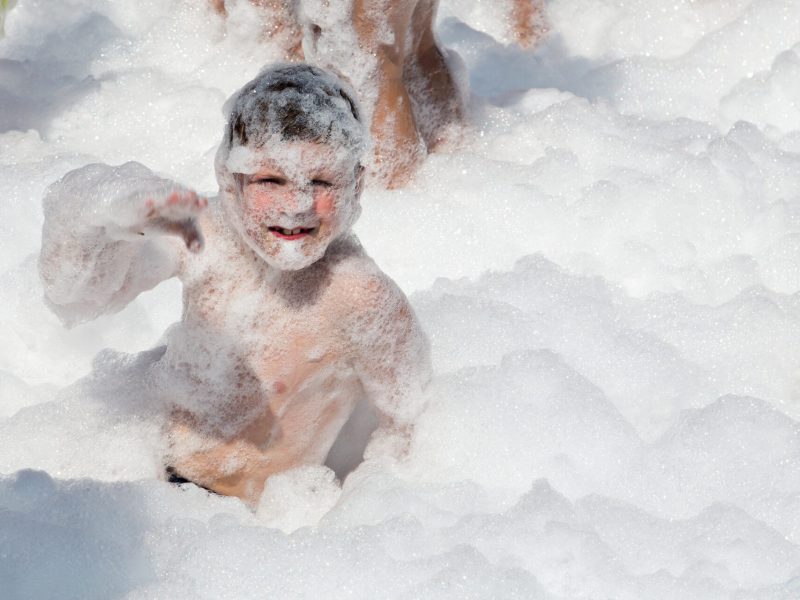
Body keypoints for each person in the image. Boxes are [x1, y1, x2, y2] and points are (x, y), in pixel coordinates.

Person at [38, 63, 431, 509]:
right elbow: (75, 297)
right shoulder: (204, 233)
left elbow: (412, 430)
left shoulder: (361, 298)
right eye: (270, 180)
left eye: (321, 181)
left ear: (357, 184)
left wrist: (367, 509)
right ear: (230, 180)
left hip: (255, 524)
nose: (297, 204)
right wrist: (94, 217)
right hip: (149, 477)